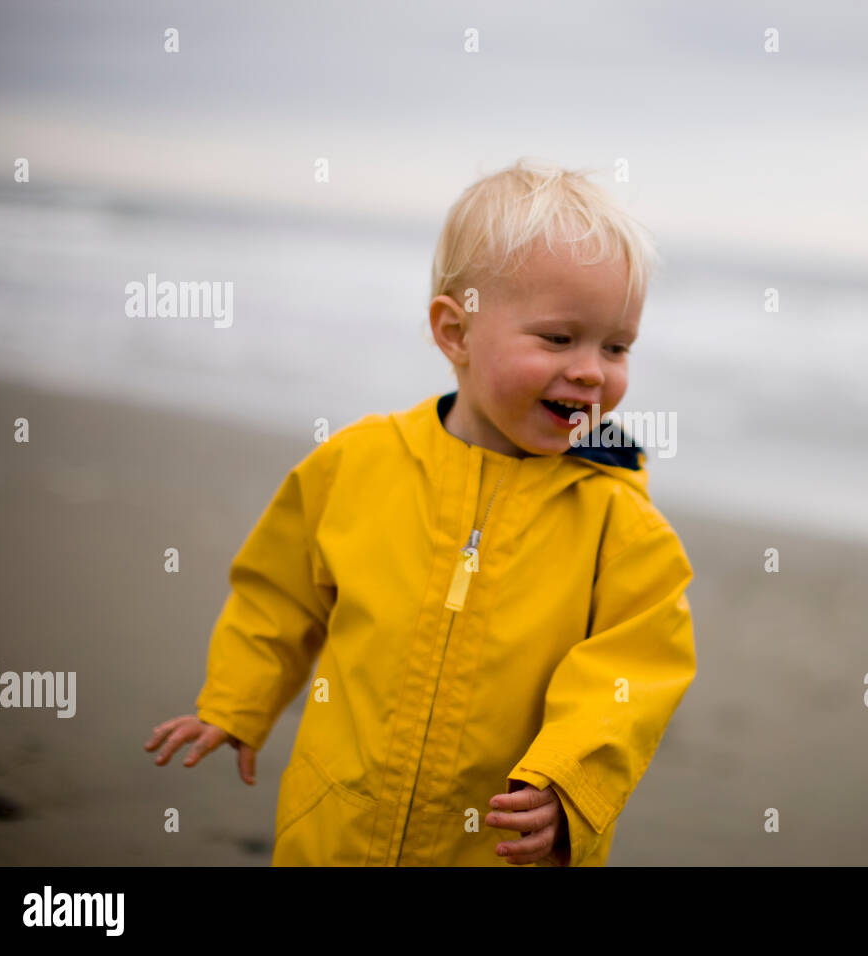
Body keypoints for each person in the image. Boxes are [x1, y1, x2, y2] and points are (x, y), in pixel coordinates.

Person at [143, 157, 696, 866]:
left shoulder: (619, 524)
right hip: (337, 823)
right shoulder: (360, 465)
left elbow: (635, 674)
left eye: (616, 346)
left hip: (498, 844)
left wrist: (570, 783)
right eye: (559, 338)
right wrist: (239, 699)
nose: (593, 370)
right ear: (455, 332)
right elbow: (279, 594)